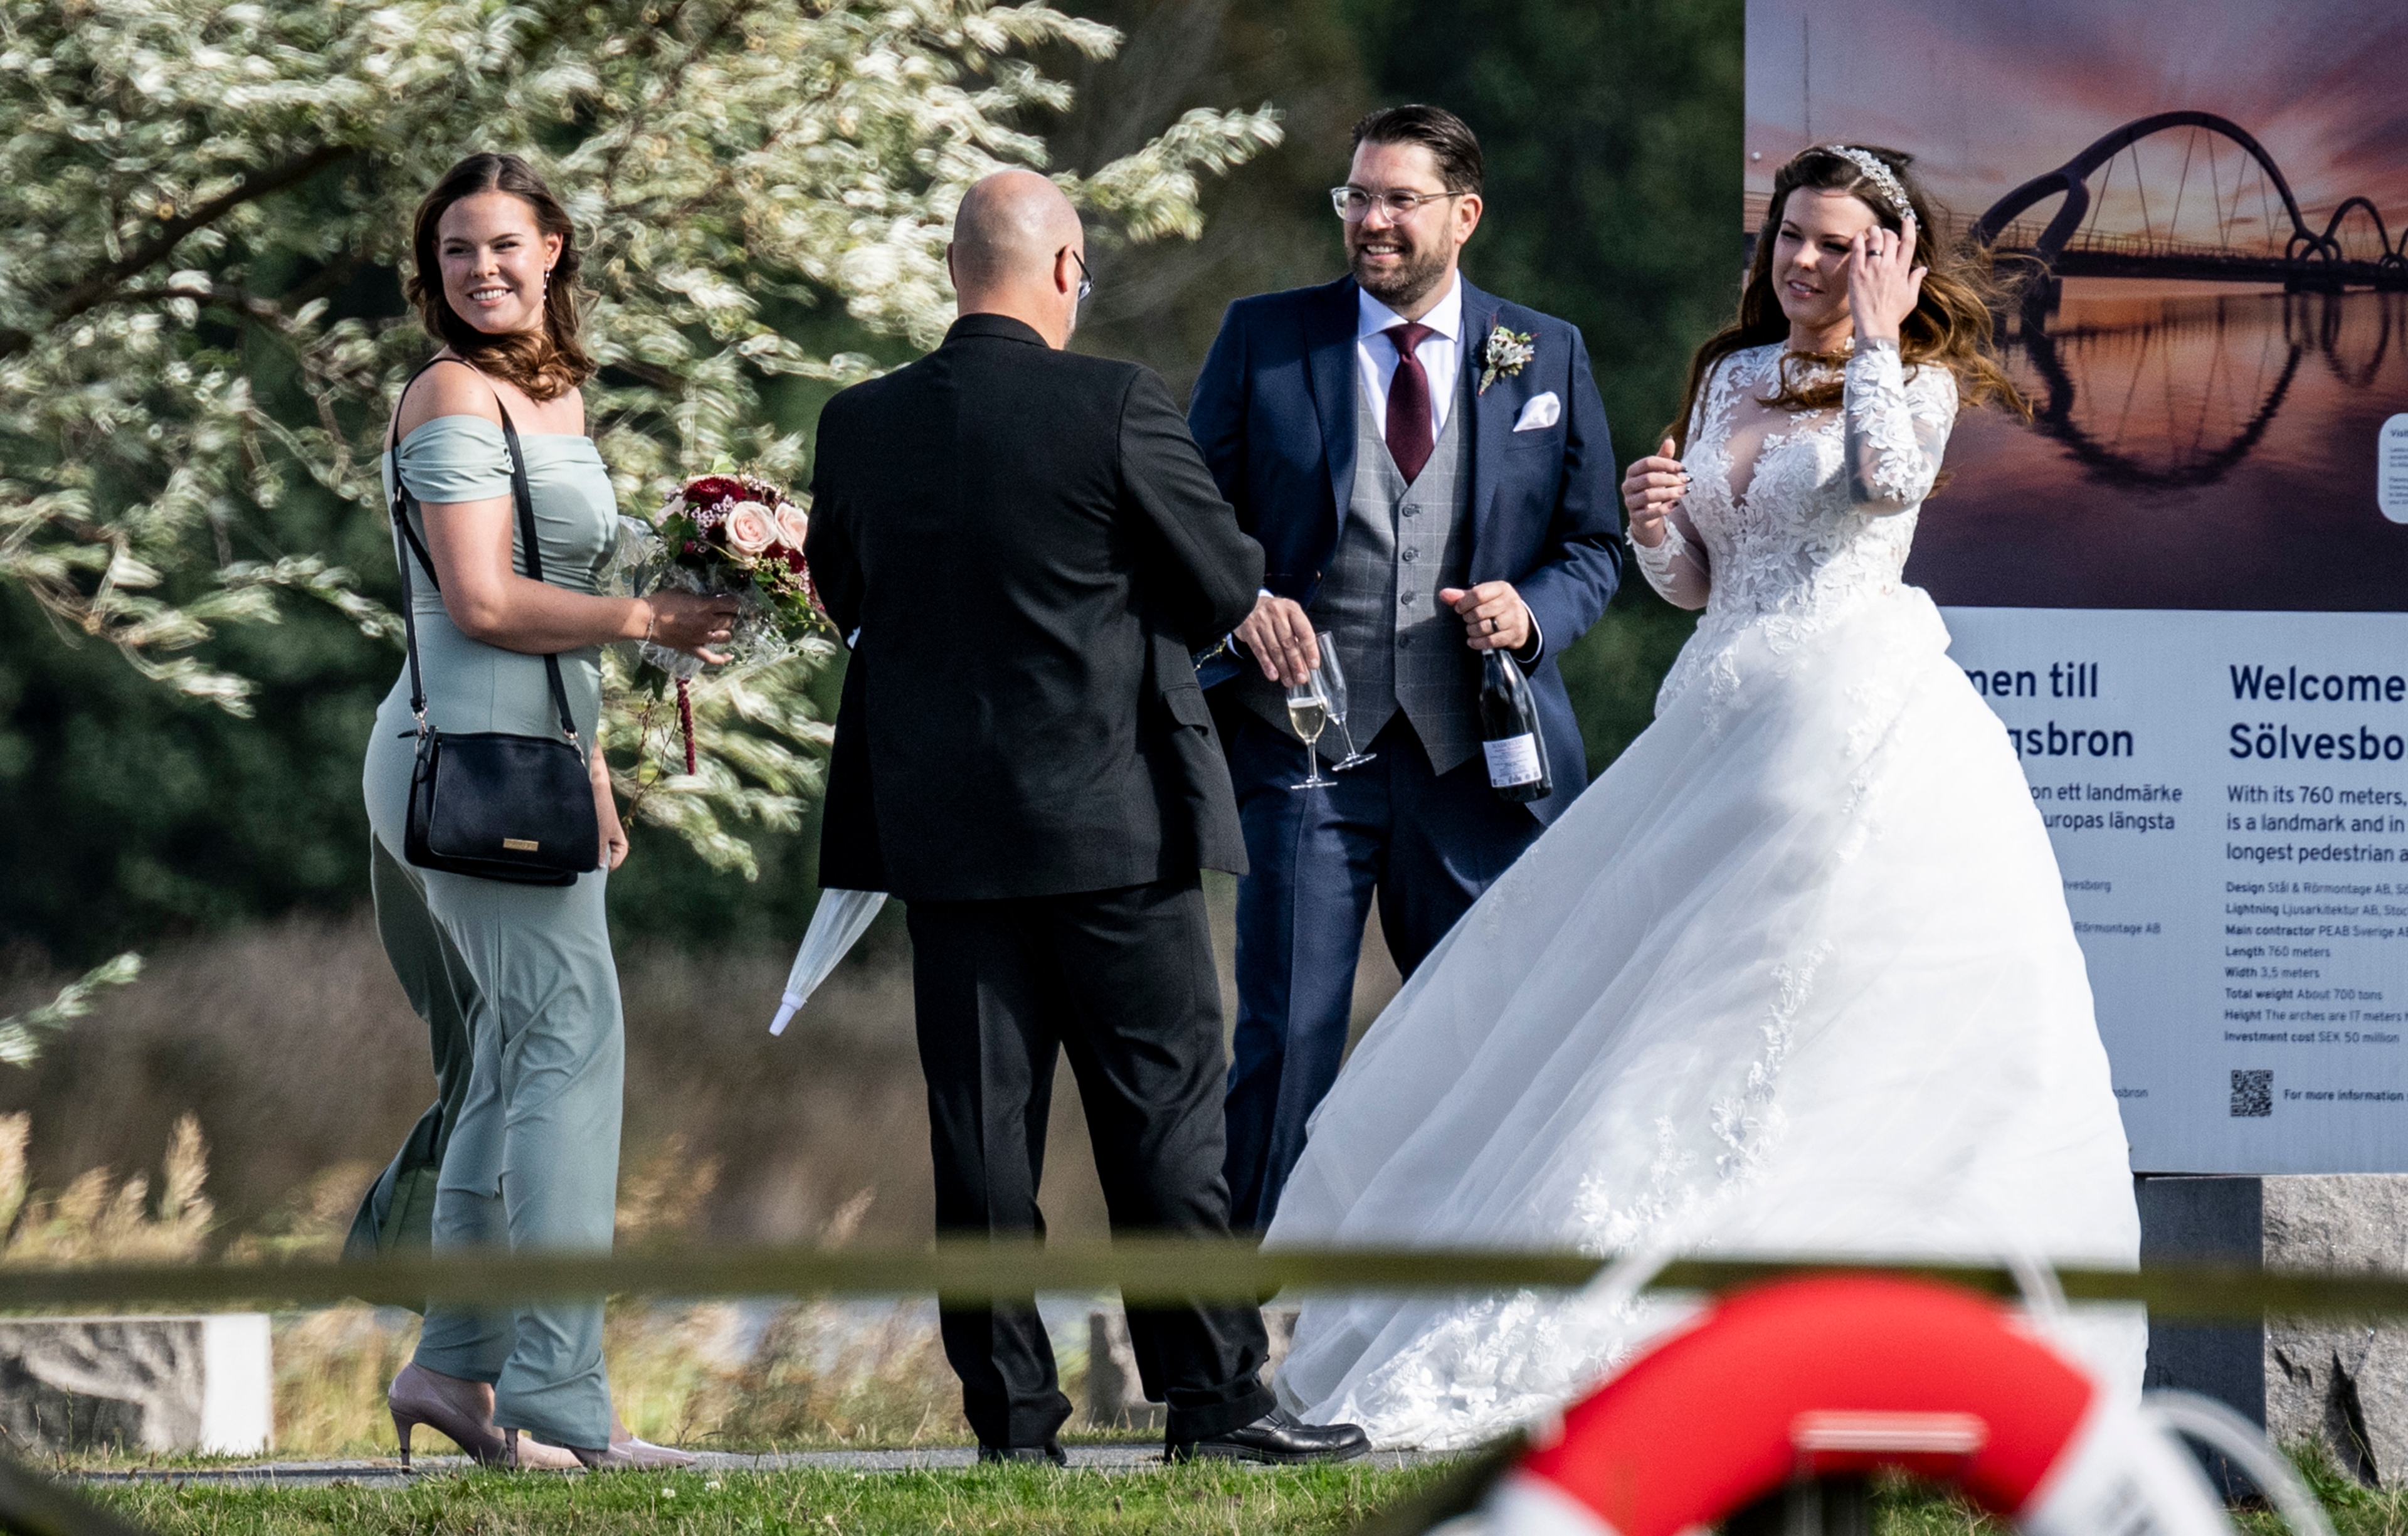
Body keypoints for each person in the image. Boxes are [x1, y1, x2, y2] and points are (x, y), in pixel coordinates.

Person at [1262, 144, 2143, 1448]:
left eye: (1838, 244)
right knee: (1646, 1015)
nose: (1802, 263)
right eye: (1791, 236)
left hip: (1854, 724)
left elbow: (1889, 482)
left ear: (1888, 259)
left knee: (1806, 1022)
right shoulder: (1730, 371)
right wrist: (1659, 519)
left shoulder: (1919, 380)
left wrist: (1887, 339)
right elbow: (1695, 584)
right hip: (1721, 722)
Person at [803, 169, 1368, 1466]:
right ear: (1064, 271)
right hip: (1120, 831)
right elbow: (1227, 578)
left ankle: (1013, 1425)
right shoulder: (1116, 403)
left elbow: (841, 594)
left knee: (982, 1142)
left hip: (945, 841)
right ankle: (1215, 1406)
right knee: (1164, 1124)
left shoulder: (858, 426)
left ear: (955, 272)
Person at [356, 152, 736, 1470]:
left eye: (506, 246)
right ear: (435, 271)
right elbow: (485, 605)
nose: (483, 270)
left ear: (556, 249)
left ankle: (457, 1377)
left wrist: (590, 767)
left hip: (535, 757)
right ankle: (563, 1404)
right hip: (456, 760)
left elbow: (551, 616)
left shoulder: (554, 393)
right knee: (568, 1053)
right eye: (458, 252)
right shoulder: (450, 393)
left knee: (518, 1066)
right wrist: (655, 616)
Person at [1188, 105, 1624, 1232]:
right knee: (1284, 1044)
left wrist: (1530, 613)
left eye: (1397, 201)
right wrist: (1244, 608)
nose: (1370, 222)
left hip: (1475, 765)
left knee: (1485, 1045)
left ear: (1463, 214)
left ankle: (1441, 1313)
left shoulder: (1547, 352)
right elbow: (1187, 528)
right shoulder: (1263, 340)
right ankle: (1236, 1351)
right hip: (1304, 758)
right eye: (1356, 198)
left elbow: (1594, 547)